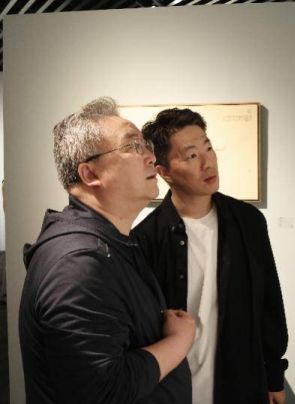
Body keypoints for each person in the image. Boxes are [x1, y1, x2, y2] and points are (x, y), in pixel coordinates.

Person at [19, 97, 196, 403]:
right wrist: (180, 340)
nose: (150, 157)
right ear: (90, 174)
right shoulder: (79, 264)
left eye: (145, 145)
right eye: (133, 146)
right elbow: (102, 391)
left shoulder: (111, 242)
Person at [132, 108, 288, 404]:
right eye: (192, 155)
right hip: (173, 390)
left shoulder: (248, 222)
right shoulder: (146, 239)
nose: (208, 162)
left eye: (208, 148)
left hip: (240, 385)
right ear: (164, 172)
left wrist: (274, 375)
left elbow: (269, 302)